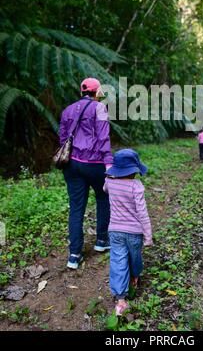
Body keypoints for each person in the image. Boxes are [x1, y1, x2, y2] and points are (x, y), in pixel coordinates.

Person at [59, 78, 113, 269]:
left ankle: (74, 255)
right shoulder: (99, 108)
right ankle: (101, 241)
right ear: (97, 92)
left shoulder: (68, 110)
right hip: (94, 163)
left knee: (76, 208)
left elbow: (63, 138)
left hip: (72, 164)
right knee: (103, 198)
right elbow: (103, 137)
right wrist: (108, 164)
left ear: (81, 91)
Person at [104, 149, 153, 316]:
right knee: (134, 258)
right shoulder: (136, 186)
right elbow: (142, 213)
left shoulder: (109, 182)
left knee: (118, 261)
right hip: (134, 233)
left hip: (115, 231)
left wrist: (110, 173)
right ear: (134, 171)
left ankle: (120, 300)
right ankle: (134, 278)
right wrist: (148, 236)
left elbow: (105, 188)